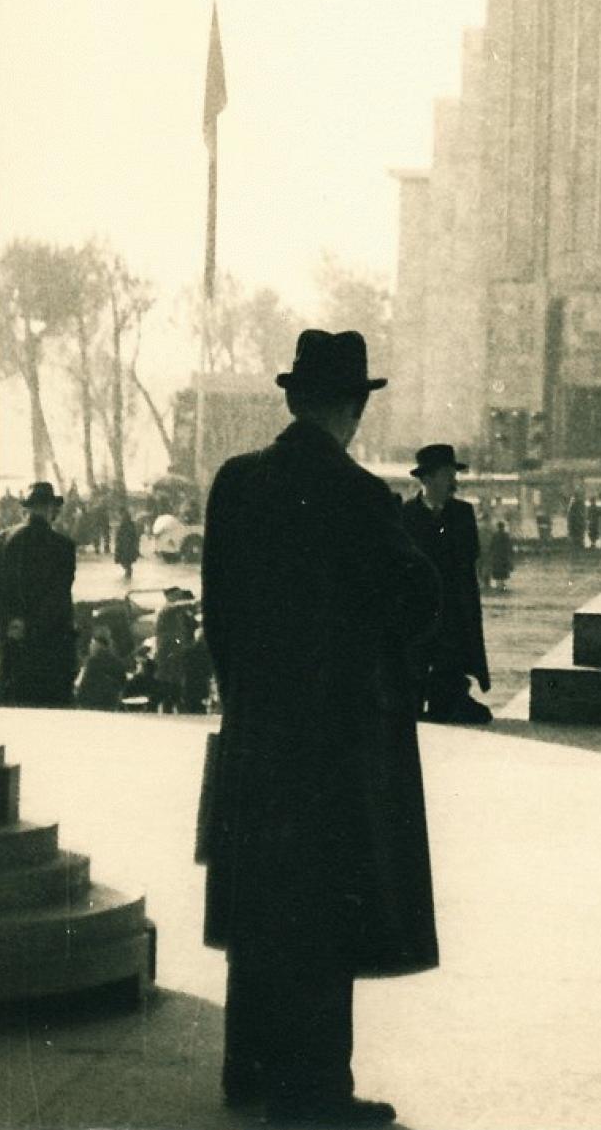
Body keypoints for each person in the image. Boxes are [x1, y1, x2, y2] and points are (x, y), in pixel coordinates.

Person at [200, 328, 440, 1127]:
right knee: (322, 917)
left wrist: (246, 700)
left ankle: (248, 1064)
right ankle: (315, 1093)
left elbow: (219, 615)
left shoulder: (235, 485)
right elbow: (417, 606)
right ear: (352, 408)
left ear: (293, 399)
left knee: (257, 903)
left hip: (254, 732)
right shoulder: (365, 500)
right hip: (332, 747)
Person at [402, 443, 493, 726]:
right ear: (427, 478)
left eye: (454, 474)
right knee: (411, 686)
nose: (454, 481)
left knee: (449, 678)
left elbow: (469, 558)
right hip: (416, 611)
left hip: (452, 610)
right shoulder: (405, 514)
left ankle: (447, 696)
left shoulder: (463, 514)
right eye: (447, 474)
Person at [0, 480, 78, 707]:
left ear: (25, 509)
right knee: (47, 718)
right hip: (46, 649)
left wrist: (8, 623)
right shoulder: (63, 547)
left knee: (9, 711)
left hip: (9, 644)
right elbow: (58, 599)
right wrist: (31, 625)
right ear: (51, 509)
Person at [152, 586, 197, 714]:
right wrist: (195, 602)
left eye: (180, 595)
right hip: (167, 652)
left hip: (175, 651)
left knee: (174, 679)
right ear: (169, 596)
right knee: (167, 680)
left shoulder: (177, 613)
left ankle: (171, 706)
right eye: (177, 595)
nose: (180, 597)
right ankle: (157, 705)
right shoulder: (167, 609)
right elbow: (177, 606)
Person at [74, 625, 128, 711]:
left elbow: (80, 684)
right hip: (111, 702)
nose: (90, 647)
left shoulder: (91, 661)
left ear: (98, 644)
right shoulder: (118, 662)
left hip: (91, 703)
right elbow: (123, 684)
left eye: (92, 644)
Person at [114, 507, 140, 583]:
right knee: (126, 561)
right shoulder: (128, 523)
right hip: (127, 546)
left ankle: (128, 575)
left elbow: (123, 535)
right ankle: (128, 575)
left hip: (125, 546)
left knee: (125, 561)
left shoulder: (125, 523)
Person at [488, 518, 515, 592]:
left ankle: (498, 586)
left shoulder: (495, 535)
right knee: (503, 572)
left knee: (497, 572)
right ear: (503, 527)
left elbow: (491, 545)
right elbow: (509, 546)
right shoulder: (506, 535)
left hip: (496, 556)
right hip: (504, 556)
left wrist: (491, 553)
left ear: (498, 527)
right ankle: (502, 586)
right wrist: (511, 554)